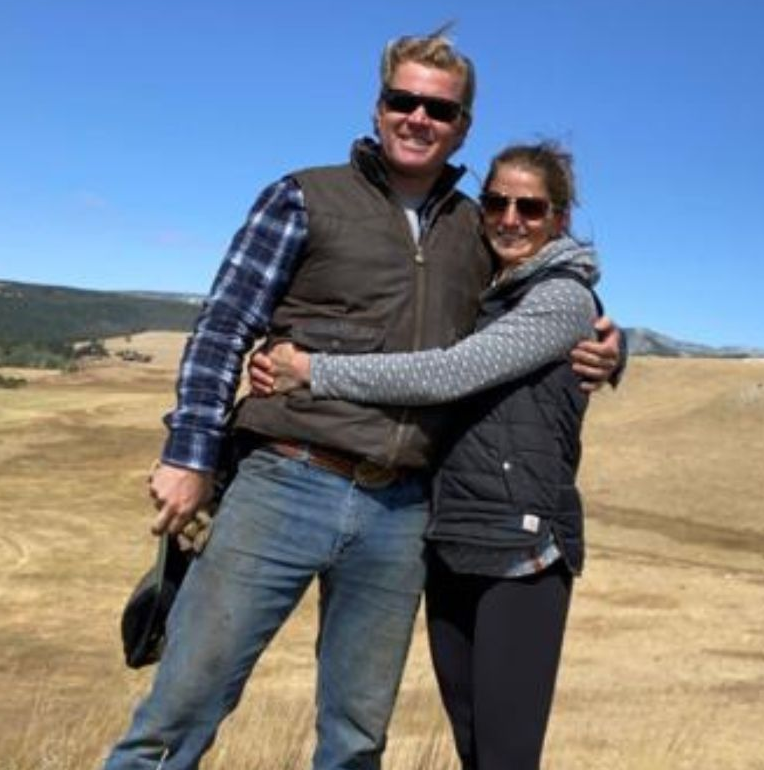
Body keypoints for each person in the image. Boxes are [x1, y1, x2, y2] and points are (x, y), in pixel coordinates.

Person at [103, 29, 621, 770]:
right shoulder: (304, 195)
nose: (418, 118)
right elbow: (224, 325)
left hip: (401, 512)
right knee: (178, 714)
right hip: (284, 481)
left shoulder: (477, 230)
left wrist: (612, 344)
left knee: (354, 742)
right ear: (377, 109)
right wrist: (188, 455)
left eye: (438, 110)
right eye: (402, 101)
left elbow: (532, 308)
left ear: (461, 126)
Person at [251, 141, 604, 770]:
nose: (510, 218)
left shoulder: (562, 297)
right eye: (496, 202)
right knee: (472, 744)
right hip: (453, 540)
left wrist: (314, 371)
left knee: (504, 756)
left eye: (531, 206)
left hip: (522, 552)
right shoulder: (490, 293)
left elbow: (449, 373)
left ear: (560, 219)